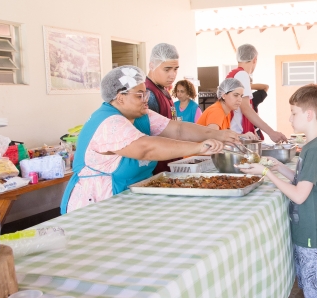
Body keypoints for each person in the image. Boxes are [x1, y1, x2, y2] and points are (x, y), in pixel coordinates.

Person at [60, 66, 236, 214]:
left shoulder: (141, 115)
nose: (146, 101)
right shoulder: (109, 122)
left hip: (128, 200)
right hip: (97, 204)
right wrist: (198, 148)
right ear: (120, 97)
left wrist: (219, 135)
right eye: (139, 96)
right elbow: (145, 149)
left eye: (146, 94)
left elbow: (178, 129)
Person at [241, 84, 317, 298]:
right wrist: (276, 166)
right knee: (315, 292)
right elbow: (303, 178)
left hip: (315, 232)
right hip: (311, 229)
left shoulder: (315, 148)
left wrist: (265, 174)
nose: (289, 118)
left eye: (293, 112)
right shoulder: (314, 144)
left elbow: (299, 193)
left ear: (308, 115)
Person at [226, 44, 287, 143]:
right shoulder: (242, 75)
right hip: (238, 134)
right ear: (255, 59)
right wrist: (271, 132)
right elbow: (246, 108)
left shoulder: (233, 74)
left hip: (234, 134)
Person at [144, 43, 181, 173]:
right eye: (167, 69)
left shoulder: (162, 89)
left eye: (175, 69)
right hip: (157, 169)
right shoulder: (149, 94)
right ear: (152, 65)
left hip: (170, 163)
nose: (173, 74)